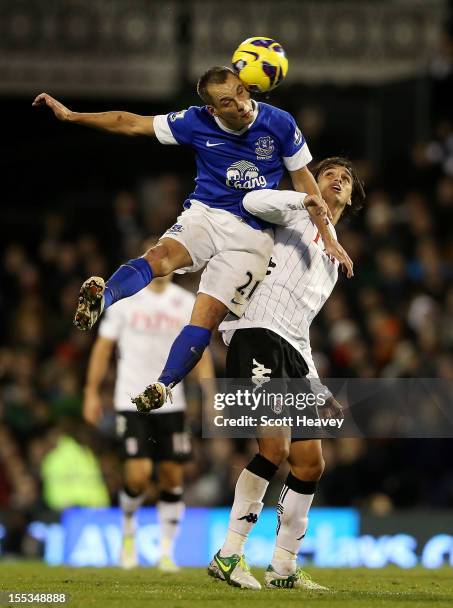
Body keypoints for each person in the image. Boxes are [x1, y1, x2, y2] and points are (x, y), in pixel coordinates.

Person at [33, 67, 352, 412]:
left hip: (253, 236)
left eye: (243, 92)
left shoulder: (280, 122)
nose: (242, 105)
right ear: (213, 110)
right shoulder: (194, 122)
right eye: (228, 102)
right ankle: (103, 297)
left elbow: (305, 181)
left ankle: (163, 384)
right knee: (161, 257)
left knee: (206, 318)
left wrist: (326, 235)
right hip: (207, 214)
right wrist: (73, 116)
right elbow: (131, 122)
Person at [207, 157, 365, 590]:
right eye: (329, 173)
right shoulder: (294, 211)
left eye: (345, 179)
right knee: (274, 448)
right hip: (255, 333)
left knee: (311, 463)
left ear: (351, 199)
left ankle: (283, 567)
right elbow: (253, 199)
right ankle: (228, 555)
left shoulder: (335, 256)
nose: (337, 179)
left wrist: (316, 386)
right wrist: (305, 198)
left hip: (292, 350)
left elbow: (301, 325)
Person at [82, 241, 215, 571]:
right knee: (138, 475)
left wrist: (211, 394)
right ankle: (128, 533)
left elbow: (198, 350)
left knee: (172, 476)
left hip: (172, 402)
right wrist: (90, 392)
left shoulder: (186, 303)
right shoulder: (125, 303)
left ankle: (166, 552)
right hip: (131, 400)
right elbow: (102, 349)